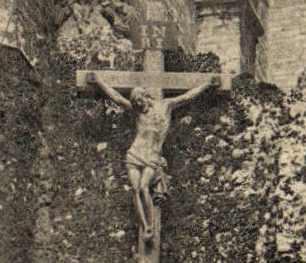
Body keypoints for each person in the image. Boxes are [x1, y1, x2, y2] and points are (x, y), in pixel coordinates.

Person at [85, 73, 218, 243]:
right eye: (136, 104)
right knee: (135, 190)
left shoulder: (166, 106)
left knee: (143, 187)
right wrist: (99, 81)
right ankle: (145, 226)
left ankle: (151, 226)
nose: (140, 106)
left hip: (152, 156)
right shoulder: (138, 112)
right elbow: (117, 98)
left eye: (141, 101)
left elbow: (188, 96)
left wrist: (207, 84)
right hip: (135, 154)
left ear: (147, 96)